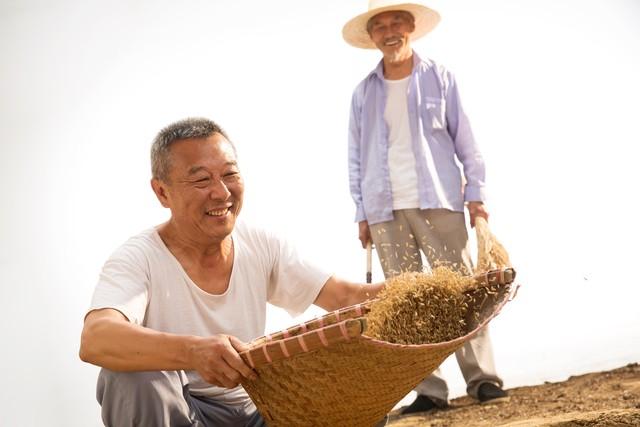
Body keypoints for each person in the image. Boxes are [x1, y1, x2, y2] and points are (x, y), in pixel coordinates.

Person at [79, 117, 384, 426]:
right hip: (186, 413)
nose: (222, 192)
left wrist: (421, 289)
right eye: (201, 180)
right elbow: (96, 338)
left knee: (357, 386)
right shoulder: (138, 258)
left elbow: (347, 297)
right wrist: (193, 351)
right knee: (128, 378)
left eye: (229, 174)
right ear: (162, 192)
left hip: (262, 411)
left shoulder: (260, 244)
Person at [342, 0, 508, 414]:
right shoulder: (363, 93)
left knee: (463, 290)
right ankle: (429, 390)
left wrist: (477, 195)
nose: (390, 30)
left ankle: (483, 379)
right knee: (407, 304)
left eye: (397, 21)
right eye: (380, 25)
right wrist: (361, 211)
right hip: (384, 210)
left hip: (440, 200)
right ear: (372, 36)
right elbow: (355, 157)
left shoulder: (441, 79)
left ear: (412, 27)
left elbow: (466, 140)